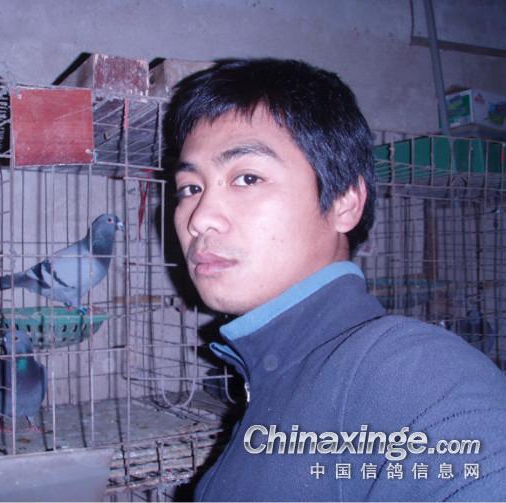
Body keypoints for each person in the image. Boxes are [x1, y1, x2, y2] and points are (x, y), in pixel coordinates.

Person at [163, 59, 506, 501]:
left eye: (247, 178)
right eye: (190, 188)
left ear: (345, 202)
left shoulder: (412, 373)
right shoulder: (279, 372)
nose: (199, 218)